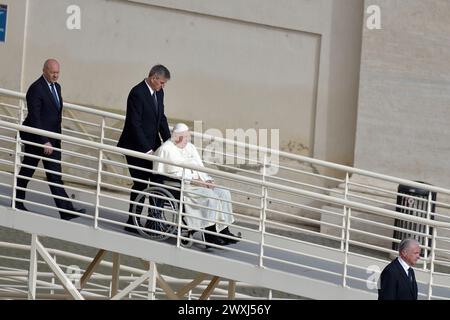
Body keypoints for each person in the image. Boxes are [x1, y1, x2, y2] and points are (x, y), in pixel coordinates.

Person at [15, 59, 86, 220]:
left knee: (55, 175)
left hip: (53, 140)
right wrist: (43, 140)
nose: (56, 75)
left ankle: (66, 211)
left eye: (58, 72)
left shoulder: (57, 87)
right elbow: (35, 118)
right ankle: (17, 201)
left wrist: (55, 139)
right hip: (36, 138)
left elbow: (55, 115)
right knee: (27, 170)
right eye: (53, 72)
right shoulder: (36, 89)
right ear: (44, 70)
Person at [154, 123, 240, 246]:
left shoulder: (190, 147)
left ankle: (223, 231)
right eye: (185, 137)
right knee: (211, 197)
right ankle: (210, 236)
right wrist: (195, 181)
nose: (187, 140)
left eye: (188, 137)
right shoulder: (166, 149)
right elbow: (173, 174)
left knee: (224, 192)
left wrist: (207, 179)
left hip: (200, 183)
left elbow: (200, 167)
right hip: (182, 186)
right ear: (177, 136)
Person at [117, 64, 172, 233]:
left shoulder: (159, 92)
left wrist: (169, 141)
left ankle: (152, 221)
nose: (163, 86)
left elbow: (161, 118)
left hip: (152, 143)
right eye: (161, 83)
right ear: (153, 78)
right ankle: (132, 221)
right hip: (135, 145)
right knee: (140, 182)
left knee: (157, 181)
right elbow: (135, 124)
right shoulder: (137, 93)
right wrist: (147, 150)